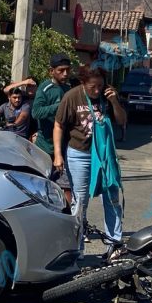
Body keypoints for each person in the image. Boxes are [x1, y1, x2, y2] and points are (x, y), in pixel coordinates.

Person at [54, 66, 127, 257]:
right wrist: (58, 155)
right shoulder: (72, 96)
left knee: (111, 197)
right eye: (92, 87)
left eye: (100, 86)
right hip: (80, 154)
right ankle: (77, 248)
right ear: (83, 83)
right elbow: (59, 125)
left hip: (104, 155)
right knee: (80, 201)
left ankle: (114, 244)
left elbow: (122, 121)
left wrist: (114, 101)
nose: (96, 91)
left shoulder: (108, 95)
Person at [32, 53, 73, 203]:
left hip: (65, 147)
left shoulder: (69, 89)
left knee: (67, 187)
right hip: (45, 147)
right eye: (61, 70)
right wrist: (58, 107)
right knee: (41, 187)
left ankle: (68, 214)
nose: (65, 74)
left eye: (68, 70)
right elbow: (36, 112)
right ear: (51, 71)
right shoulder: (45, 88)